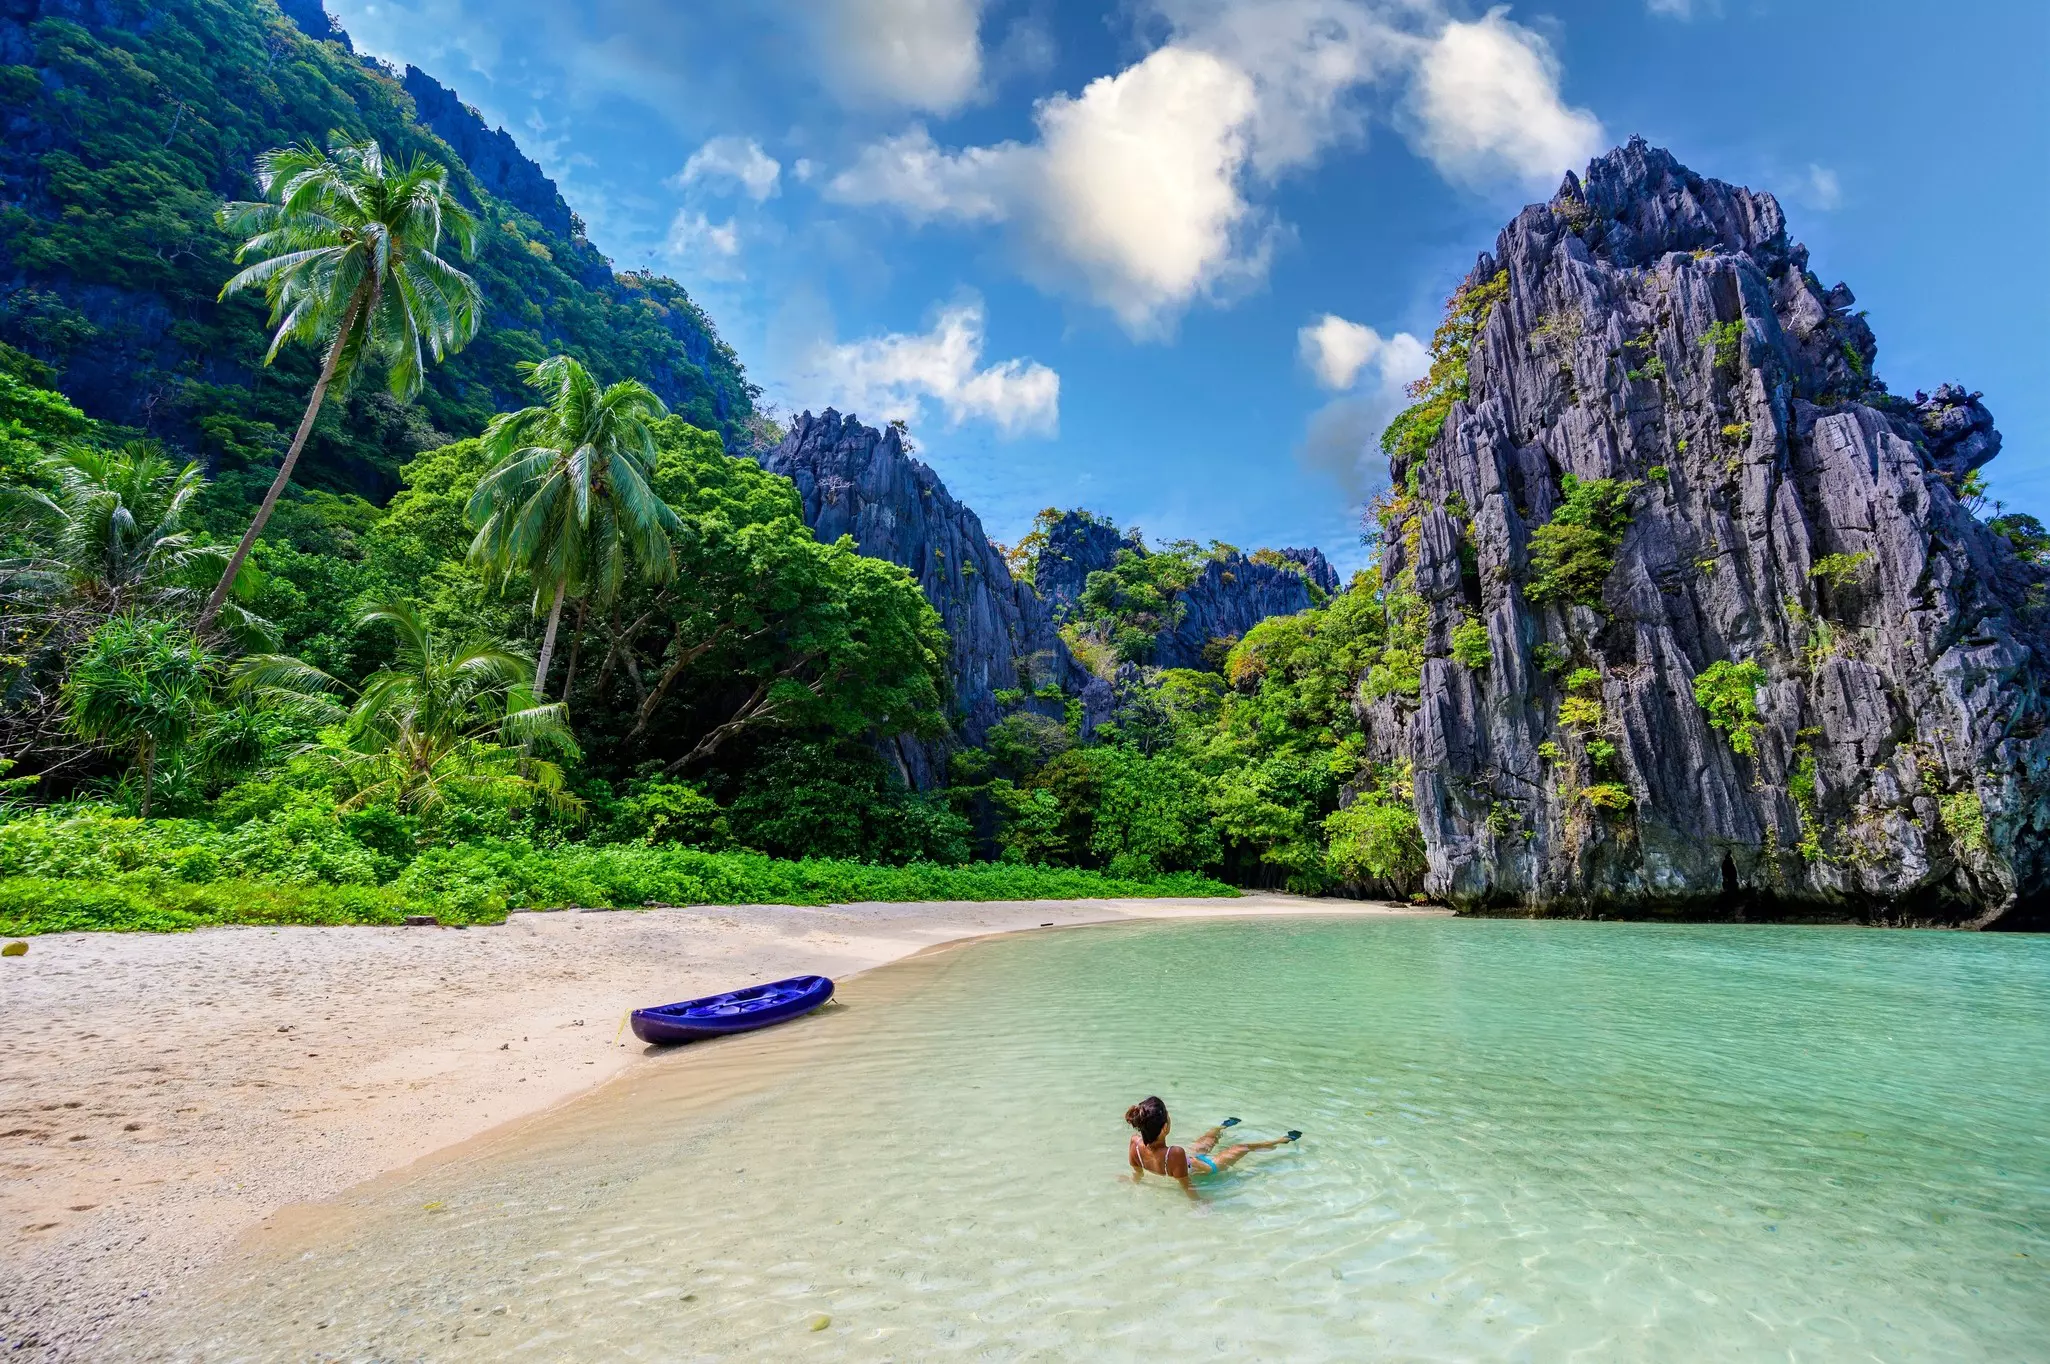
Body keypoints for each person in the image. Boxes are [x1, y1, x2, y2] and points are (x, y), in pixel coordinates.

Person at [1125, 1096, 1299, 1197]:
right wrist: (1198, 1203)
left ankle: (1222, 1127)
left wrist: (1133, 1183)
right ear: (1165, 1128)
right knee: (1242, 1147)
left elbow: (1137, 1172)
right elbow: (1187, 1186)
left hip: (1187, 1162)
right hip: (1207, 1167)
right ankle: (1282, 1140)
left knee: (1208, 1139)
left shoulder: (1135, 1143)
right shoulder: (1175, 1153)